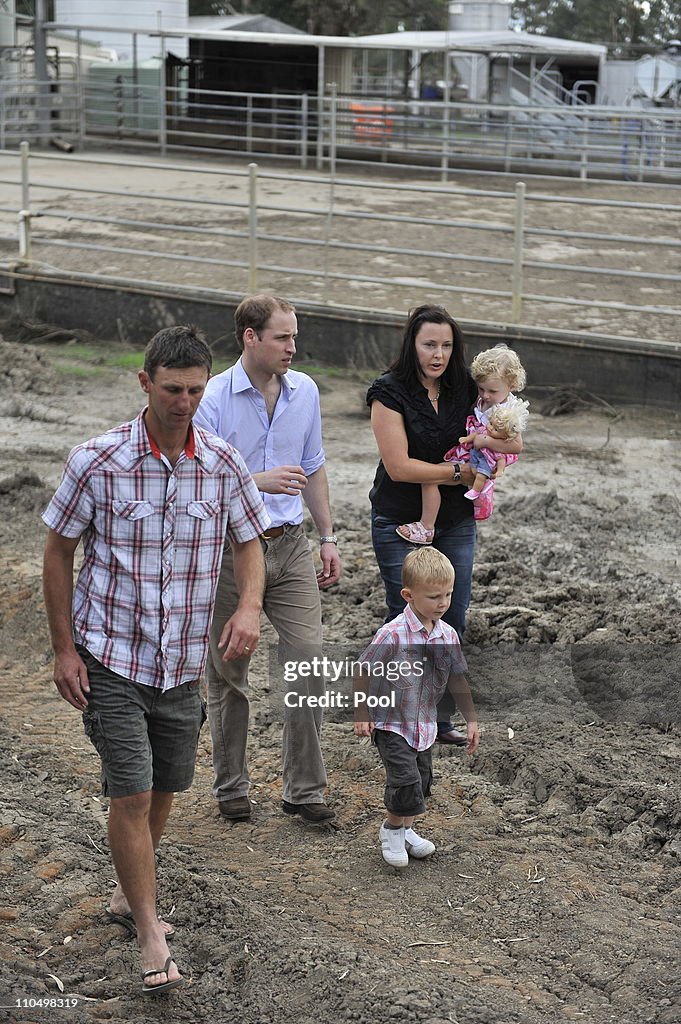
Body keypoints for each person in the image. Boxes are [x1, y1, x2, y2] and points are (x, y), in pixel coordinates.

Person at [41, 326, 270, 995]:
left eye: (196, 390)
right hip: (110, 654)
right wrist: (62, 649)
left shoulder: (223, 462)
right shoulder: (98, 460)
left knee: (168, 785)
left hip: (180, 664)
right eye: (171, 389)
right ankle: (147, 927)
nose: (184, 402)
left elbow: (249, 540)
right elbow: (58, 550)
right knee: (133, 789)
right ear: (144, 383)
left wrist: (249, 606)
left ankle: (125, 891)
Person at [194, 294, 341, 825]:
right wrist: (257, 481)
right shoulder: (213, 398)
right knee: (229, 671)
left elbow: (315, 467)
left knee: (308, 663)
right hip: (231, 550)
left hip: (291, 544)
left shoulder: (305, 392)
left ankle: (304, 789)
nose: (292, 347)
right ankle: (231, 787)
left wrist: (327, 535)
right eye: (282, 337)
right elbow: (200, 477)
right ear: (250, 338)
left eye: (294, 336)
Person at [366, 305, 518, 744]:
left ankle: (440, 719)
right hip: (399, 518)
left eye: (447, 345)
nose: (438, 354)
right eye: (430, 344)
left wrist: (495, 451)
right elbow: (399, 467)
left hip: (455, 519)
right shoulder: (388, 392)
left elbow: (505, 427)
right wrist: (458, 474)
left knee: (452, 614)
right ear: (412, 344)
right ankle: (397, 722)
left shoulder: (464, 390)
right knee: (406, 614)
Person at [354, 547, 480, 867]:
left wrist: (471, 719)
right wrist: (361, 711)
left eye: (449, 594)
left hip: (424, 725)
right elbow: (363, 668)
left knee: (422, 781)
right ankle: (391, 831)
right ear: (408, 595)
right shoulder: (393, 633)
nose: (443, 603)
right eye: (434, 596)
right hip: (392, 723)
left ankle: (407, 830)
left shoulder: (447, 634)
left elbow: (457, 679)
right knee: (405, 780)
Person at [399, 345, 528, 534]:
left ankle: (426, 527)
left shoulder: (507, 411)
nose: (485, 395)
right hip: (473, 452)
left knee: (429, 478)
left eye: (492, 391)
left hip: (483, 456)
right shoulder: (486, 400)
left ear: (512, 385)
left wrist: (486, 441)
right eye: (481, 388)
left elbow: (517, 446)